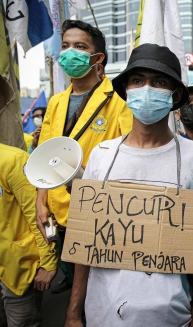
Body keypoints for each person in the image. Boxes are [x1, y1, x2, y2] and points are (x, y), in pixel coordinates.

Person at [64, 43, 193, 327]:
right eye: (137, 80)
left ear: (175, 95)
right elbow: (85, 243)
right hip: (104, 314)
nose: (147, 88)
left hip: (174, 316)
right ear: (126, 91)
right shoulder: (102, 156)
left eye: (159, 82)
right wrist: (73, 312)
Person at [36, 20, 132, 293]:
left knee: (101, 290)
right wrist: (40, 203)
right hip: (59, 213)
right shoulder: (55, 101)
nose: (69, 53)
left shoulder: (118, 99)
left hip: (98, 213)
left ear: (97, 57)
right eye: (65, 46)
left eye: (80, 47)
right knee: (75, 284)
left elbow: (128, 157)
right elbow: (44, 157)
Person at [0, 143, 58, 327]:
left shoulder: (13, 160)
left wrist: (49, 262)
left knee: (22, 321)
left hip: (17, 268)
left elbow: (40, 216)